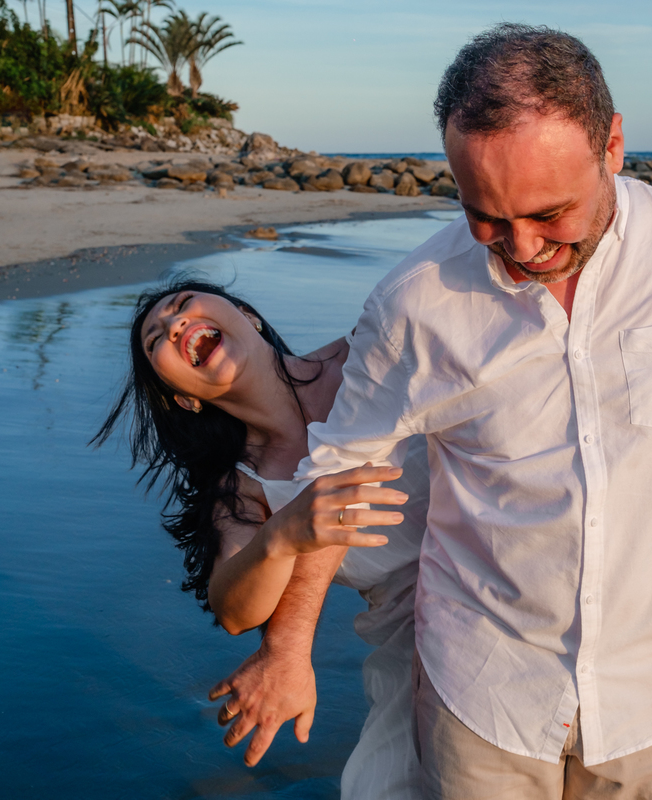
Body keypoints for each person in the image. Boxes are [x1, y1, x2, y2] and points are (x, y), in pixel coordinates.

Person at [212, 23, 652, 799]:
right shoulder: (414, 303)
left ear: (613, 145)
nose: (521, 246)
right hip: (485, 694)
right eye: (486, 217)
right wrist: (287, 649)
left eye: (551, 213)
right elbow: (344, 473)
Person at [93, 278, 427, 800]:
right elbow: (233, 609)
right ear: (184, 397)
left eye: (181, 307)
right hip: (414, 651)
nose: (175, 323)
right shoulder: (245, 487)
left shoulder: (363, 350)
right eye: (157, 338)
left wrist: (287, 648)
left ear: (246, 315)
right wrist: (281, 536)